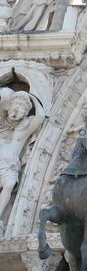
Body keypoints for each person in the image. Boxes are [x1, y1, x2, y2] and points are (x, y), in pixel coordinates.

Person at [0, 88, 45, 227]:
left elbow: (41, 116)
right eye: (15, 107)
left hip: (10, 166)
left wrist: (33, 98)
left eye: (21, 109)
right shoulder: (2, 125)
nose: (16, 111)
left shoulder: (25, 128)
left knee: (9, 185)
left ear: (26, 113)